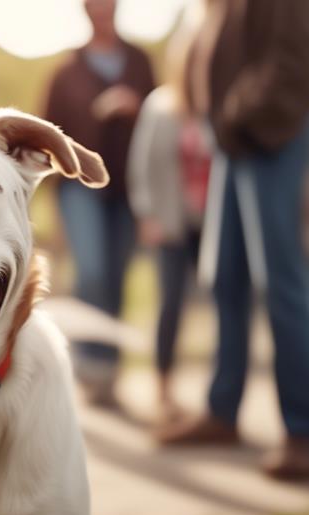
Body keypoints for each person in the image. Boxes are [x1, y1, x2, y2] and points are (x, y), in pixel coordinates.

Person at [157, 0, 309, 481]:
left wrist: (236, 114)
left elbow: (292, 59)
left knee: (279, 283)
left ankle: (303, 431)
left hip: (268, 135)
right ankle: (223, 412)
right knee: (223, 277)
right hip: (231, 142)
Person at [43, 0, 155, 405]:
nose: (102, 9)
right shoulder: (65, 72)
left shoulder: (141, 62)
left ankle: (107, 372)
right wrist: (55, 213)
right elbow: (48, 141)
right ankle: (89, 368)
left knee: (116, 277)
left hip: (129, 189)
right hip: (80, 189)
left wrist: (137, 108)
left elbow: (160, 123)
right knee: (90, 272)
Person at [127, 12, 212, 423]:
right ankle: (163, 389)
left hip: (212, 223)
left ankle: (217, 399)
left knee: (224, 303)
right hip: (171, 222)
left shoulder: (219, 108)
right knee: (171, 303)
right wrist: (148, 214)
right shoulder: (160, 105)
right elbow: (141, 166)